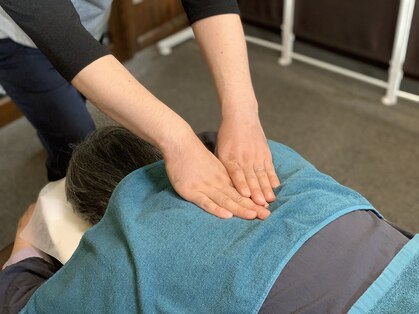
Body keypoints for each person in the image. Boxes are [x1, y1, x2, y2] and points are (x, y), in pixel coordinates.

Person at [1, 126, 416, 313]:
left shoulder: (118, 249)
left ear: (94, 214)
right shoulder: (257, 154)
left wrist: (27, 242)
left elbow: (23, 305)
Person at [0, 0, 280, 218]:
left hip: (86, 25)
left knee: (78, 106)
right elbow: (60, 34)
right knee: (75, 143)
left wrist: (242, 111)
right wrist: (179, 141)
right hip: (18, 39)